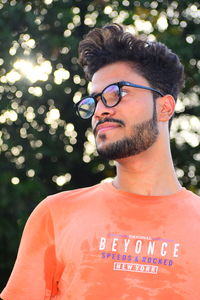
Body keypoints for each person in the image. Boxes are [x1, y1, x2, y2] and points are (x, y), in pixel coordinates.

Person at [1, 23, 200, 300]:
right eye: (94, 101)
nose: (101, 110)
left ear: (164, 107)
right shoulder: (55, 216)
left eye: (117, 92)